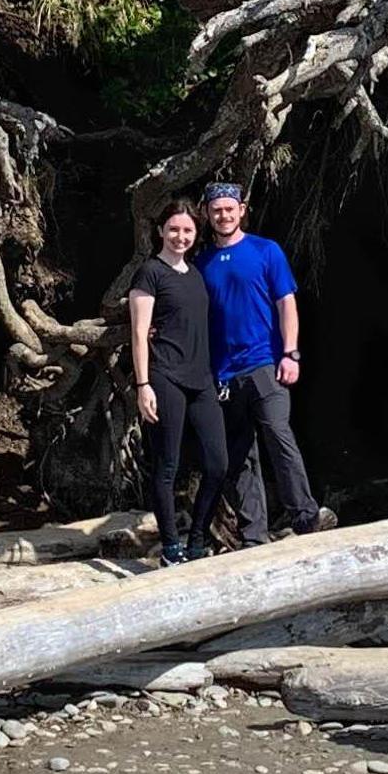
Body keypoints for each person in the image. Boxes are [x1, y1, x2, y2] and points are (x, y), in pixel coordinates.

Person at [193, 180, 328, 545]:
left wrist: (291, 353)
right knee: (239, 456)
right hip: (223, 374)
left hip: (266, 363)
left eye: (229, 209)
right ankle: (255, 536)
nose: (223, 215)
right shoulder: (201, 264)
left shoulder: (266, 251)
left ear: (241, 211)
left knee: (278, 435)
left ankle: (305, 515)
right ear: (207, 214)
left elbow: (287, 303)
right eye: (216, 209)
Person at [127, 198, 229, 564]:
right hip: (164, 377)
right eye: (173, 229)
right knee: (167, 466)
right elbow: (139, 334)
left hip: (201, 379)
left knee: (218, 463)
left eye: (187, 230)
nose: (180, 236)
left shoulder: (196, 273)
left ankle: (198, 537)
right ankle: (171, 548)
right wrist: (143, 386)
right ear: (160, 232)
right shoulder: (149, 273)